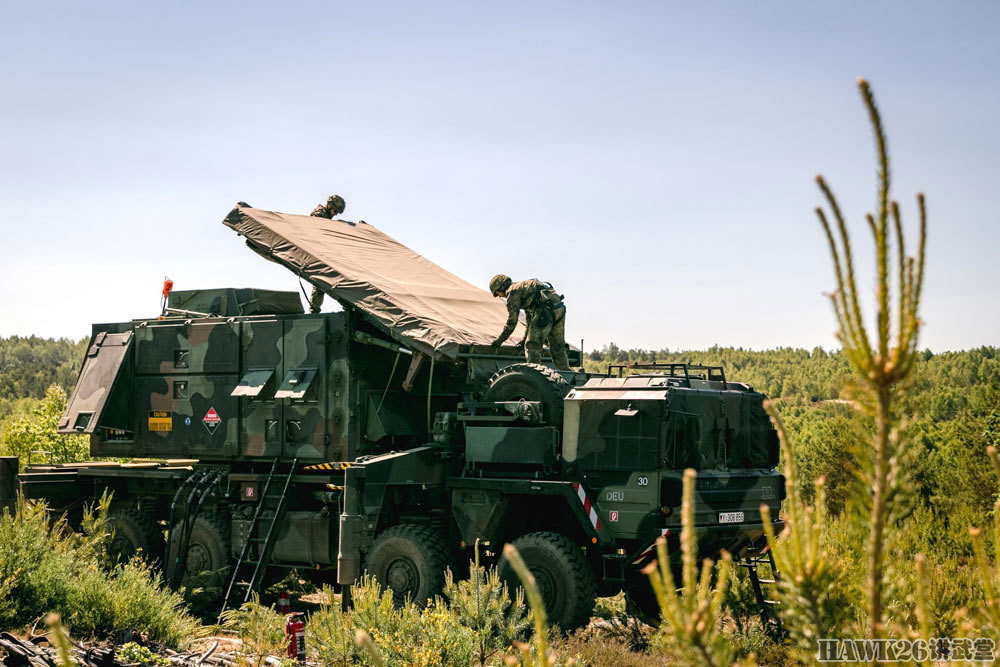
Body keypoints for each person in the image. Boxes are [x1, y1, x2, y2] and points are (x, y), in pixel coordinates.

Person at [489, 274, 570, 370]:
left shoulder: (512, 293)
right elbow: (529, 320)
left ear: (500, 288)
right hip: (558, 308)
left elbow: (512, 322)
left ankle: (536, 374)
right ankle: (567, 374)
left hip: (544, 310)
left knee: (532, 346)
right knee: (558, 346)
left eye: (498, 294)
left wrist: (499, 341)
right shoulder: (523, 288)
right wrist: (523, 340)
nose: (500, 296)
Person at [307, 195, 347, 313]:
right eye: (334, 211)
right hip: (317, 256)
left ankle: (314, 311)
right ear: (329, 205)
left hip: (324, 256)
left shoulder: (325, 217)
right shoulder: (318, 216)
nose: (335, 214)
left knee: (325, 283)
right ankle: (313, 312)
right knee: (322, 283)